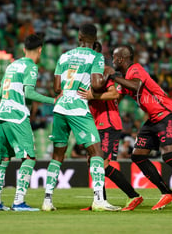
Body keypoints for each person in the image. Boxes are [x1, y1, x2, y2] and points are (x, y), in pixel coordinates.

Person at [110, 45, 172, 212]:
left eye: (114, 58)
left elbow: (136, 86)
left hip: (168, 115)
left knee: (169, 155)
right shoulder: (125, 78)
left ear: (121, 59)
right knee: (137, 156)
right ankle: (167, 193)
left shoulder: (135, 70)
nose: (112, 61)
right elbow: (115, 98)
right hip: (153, 121)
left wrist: (113, 77)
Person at [42, 23, 119, 212]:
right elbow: (96, 83)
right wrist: (107, 75)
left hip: (60, 107)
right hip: (78, 107)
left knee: (58, 155)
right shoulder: (96, 56)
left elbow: (56, 88)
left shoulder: (65, 56)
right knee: (96, 153)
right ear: (95, 39)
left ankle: (47, 200)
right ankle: (99, 200)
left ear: (79, 37)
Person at [75, 42, 145, 212]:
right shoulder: (85, 73)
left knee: (102, 165)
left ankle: (134, 196)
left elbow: (114, 94)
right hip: (95, 123)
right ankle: (100, 200)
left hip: (108, 123)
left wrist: (94, 96)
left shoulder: (106, 71)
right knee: (94, 163)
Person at [0, 33, 56, 212]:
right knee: (29, 157)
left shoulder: (12, 65)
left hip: (2, 115)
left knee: (3, 159)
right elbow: (29, 93)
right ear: (40, 50)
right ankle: (19, 201)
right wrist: (53, 101)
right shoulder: (31, 67)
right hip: (17, 116)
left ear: (23, 49)